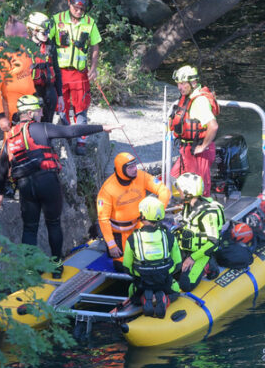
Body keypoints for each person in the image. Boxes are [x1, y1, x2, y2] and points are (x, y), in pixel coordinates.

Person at [0, 95, 121, 276]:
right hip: (47, 182)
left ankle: (29, 271)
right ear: (30, 113)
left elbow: (3, 164)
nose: (42, 112)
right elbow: (70, 131)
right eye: (39, 109)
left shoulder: (11, 136)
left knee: (29, 228)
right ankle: (57, 266)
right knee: (53, 223)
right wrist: (101, 128)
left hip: (26, 186)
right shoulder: (41, 128)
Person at [50, 0, 102, 155]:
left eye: (82, 9)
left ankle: (81, 141)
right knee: (61, 106)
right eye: (75, 8)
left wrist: (93, 68)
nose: (79, 11)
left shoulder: (90, 23)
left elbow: (95, 45)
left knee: (81, 106)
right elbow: (44, 39)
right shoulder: (56, 20)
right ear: (69, 4)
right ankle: (66, 135)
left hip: (80, 73)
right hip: (60, 73)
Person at [96, 152, 171, 265]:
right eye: (130, 167)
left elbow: (163, 190)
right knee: (122, 266)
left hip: (140, 226)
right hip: (119, 233)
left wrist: (156, 213)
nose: (135, 169)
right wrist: (112, 245)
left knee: (149, 260)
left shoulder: (141, 176)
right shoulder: (107, 189)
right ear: (121, 169)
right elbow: (103, 219)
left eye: (135, 165)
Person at [122, 196, 182, 319]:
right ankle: (164, 298)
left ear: (143, 216)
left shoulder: (133, 238)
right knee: (176, 291)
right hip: (165, 283)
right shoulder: (169, 237)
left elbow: (127, 268)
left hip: (142, 284)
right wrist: (164, 274)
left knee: (132, 292)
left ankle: (144, 297)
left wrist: (142, 275)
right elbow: (178, 264)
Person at [169, 65, 219, 194]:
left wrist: (203, 146)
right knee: (173, 179)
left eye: (183, 83)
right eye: (178, 83)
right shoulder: (187, 97)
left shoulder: (199, 101)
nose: (180, 87)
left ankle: (203, 210)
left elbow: (213, 126)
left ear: (193, 82)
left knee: (199, 188)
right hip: (187, 151)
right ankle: (183, 205)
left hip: (198, 152)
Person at [174, 172, 225, 292]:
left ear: (188, 192)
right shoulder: (188, 206)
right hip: (184, 250)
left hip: (201, 254)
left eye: (180, 189)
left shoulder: (208, 213)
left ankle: (209, 266)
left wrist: (192, 258)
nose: (178, 192)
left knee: (186, 284)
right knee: (169, 274)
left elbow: (213, 242)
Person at [0, 17, 35, 131]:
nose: (27, 36)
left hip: (31, 107)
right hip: (14, 112)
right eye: (24, 33)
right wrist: (1, 117)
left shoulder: (23, 48)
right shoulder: (0, 57)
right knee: (15, 145)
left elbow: (28, 77)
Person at [26, 12, 65, 125]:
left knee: (48, 122)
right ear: (34, 30)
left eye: (49, 31)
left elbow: (57, 71)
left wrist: (60, 96)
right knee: (33, 123)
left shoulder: (50, 46)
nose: (47, 34)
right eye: (44, 32)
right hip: (32, 90)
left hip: (49, 88)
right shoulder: (24, 46)